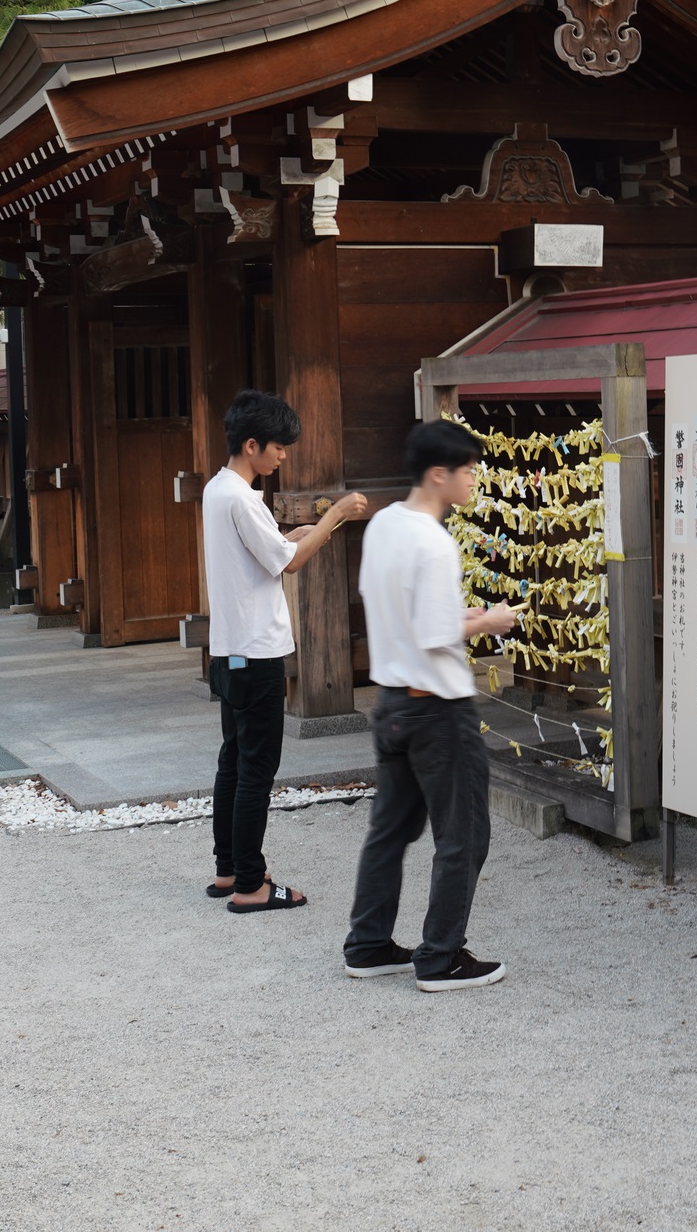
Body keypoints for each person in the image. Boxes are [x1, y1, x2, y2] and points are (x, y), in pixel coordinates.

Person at [343, 419, 517, 990]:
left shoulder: (386, 525)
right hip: (439, 706)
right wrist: (489, 620)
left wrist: (456, 619)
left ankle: (367, 944)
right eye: (467, 469)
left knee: (389, 831)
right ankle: (441, 955)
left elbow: (397, 608)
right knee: (464, 833)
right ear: (438, 474)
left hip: (392, 699)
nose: (473, 479)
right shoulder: (435, 542)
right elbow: (436, 630)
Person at [204, 389, 366, 913]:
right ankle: (252, 884)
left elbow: (269, 551)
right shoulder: (244, 498)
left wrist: (294, 534)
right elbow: (290, 564)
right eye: (277, 447)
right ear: (252, 445)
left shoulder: (217, 490)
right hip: (257, 653)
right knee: (256, 769)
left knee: (233, 761)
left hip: (228, 650)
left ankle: (228, 868)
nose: (283, 455)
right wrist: (334, 516)